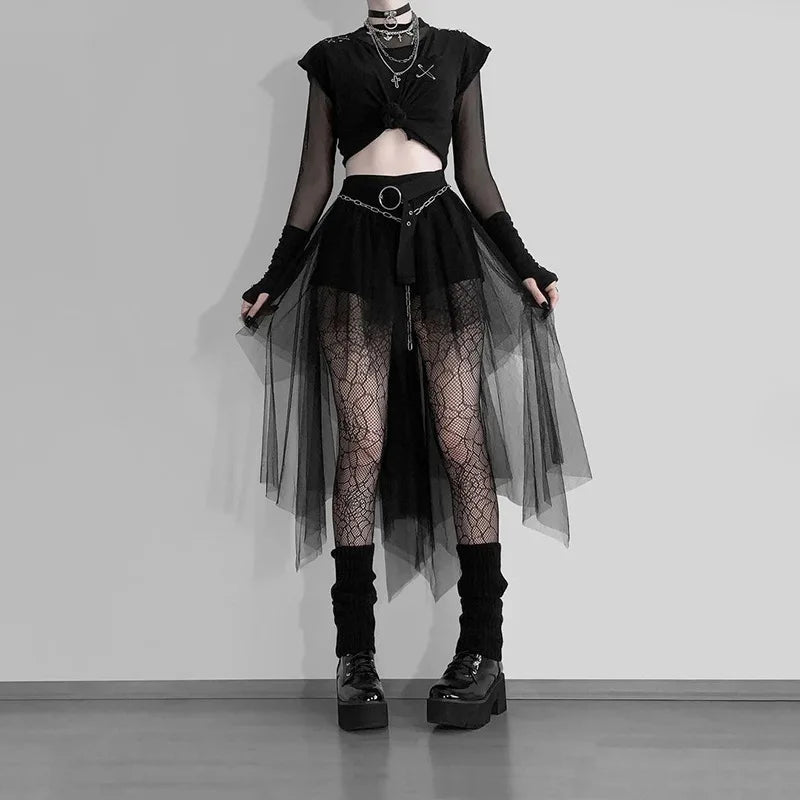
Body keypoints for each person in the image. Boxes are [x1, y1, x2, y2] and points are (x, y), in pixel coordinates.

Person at [236, 2, 592, 731]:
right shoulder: (331, 60)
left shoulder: (458, 52)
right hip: (352, 249)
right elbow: (313, 181)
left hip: (442, 245)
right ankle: (355, 658)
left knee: (462, 439)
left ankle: (483, 652)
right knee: (361, 444)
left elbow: (477, 174)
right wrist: (276, 273)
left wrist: (524, 262)